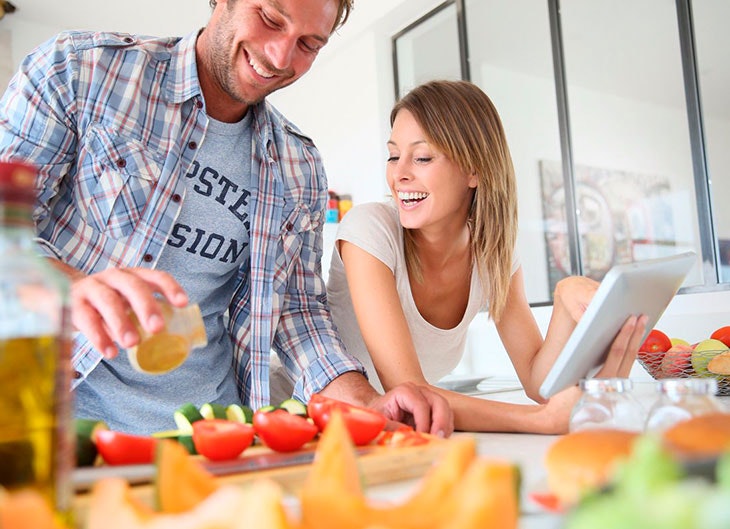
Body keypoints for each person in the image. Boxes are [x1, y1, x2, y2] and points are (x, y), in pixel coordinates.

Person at [0, 0, 452, 436]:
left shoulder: (299, 165)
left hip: (213, 439)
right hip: (57, 430)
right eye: (271, 19)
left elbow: (297, 313)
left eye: (308, 44)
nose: (280, 57)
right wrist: (72, 287)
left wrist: (366, 400)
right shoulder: (79, 72)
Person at [326, 80, 648, 433]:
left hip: (382, 437)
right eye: (393, 155)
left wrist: (565, 297)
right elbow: (408, 392)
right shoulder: (370, 230)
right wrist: (540, 421)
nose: (398, 173)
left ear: (473, 170)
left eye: (421, 157)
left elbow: (538, 381)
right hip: (305, 421)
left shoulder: (492, 253)